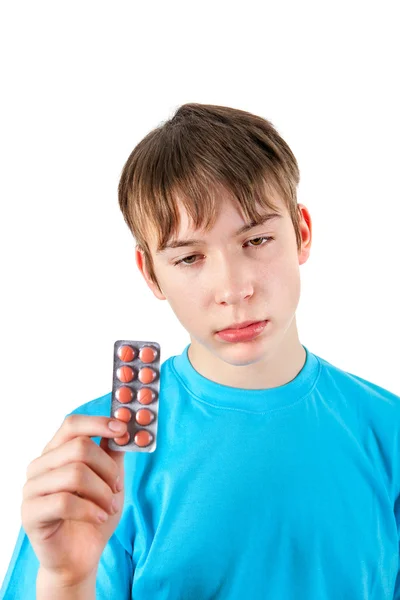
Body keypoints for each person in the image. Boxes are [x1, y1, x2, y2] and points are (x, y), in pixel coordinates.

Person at [1, 103, 400, 600]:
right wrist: (66, 581)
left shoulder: (388, 431)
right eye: (190, 257)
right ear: (150, 274)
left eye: (256, 239)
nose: (233, 289)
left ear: (301, 233)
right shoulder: (102, 455)